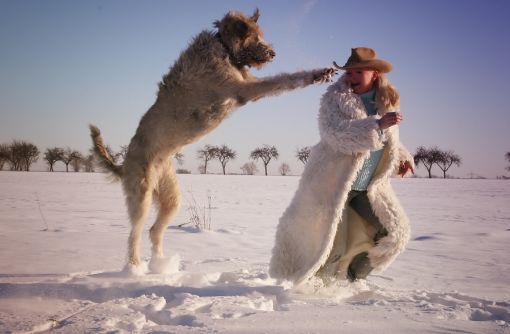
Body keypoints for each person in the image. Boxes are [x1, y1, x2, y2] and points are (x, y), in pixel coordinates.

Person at [269, 47, 414, 284]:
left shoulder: (386, 102)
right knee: (329, 248)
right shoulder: (334, 99)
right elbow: (334, 135)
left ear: (374, 74)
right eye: (349, 73)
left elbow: (390, 139)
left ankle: (351, 281)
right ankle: (316, 295)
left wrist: (401, 158)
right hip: (333, 185)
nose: (351, 77)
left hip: (369, 188)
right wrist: (376, 125)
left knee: (394, 233)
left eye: (358, 72)